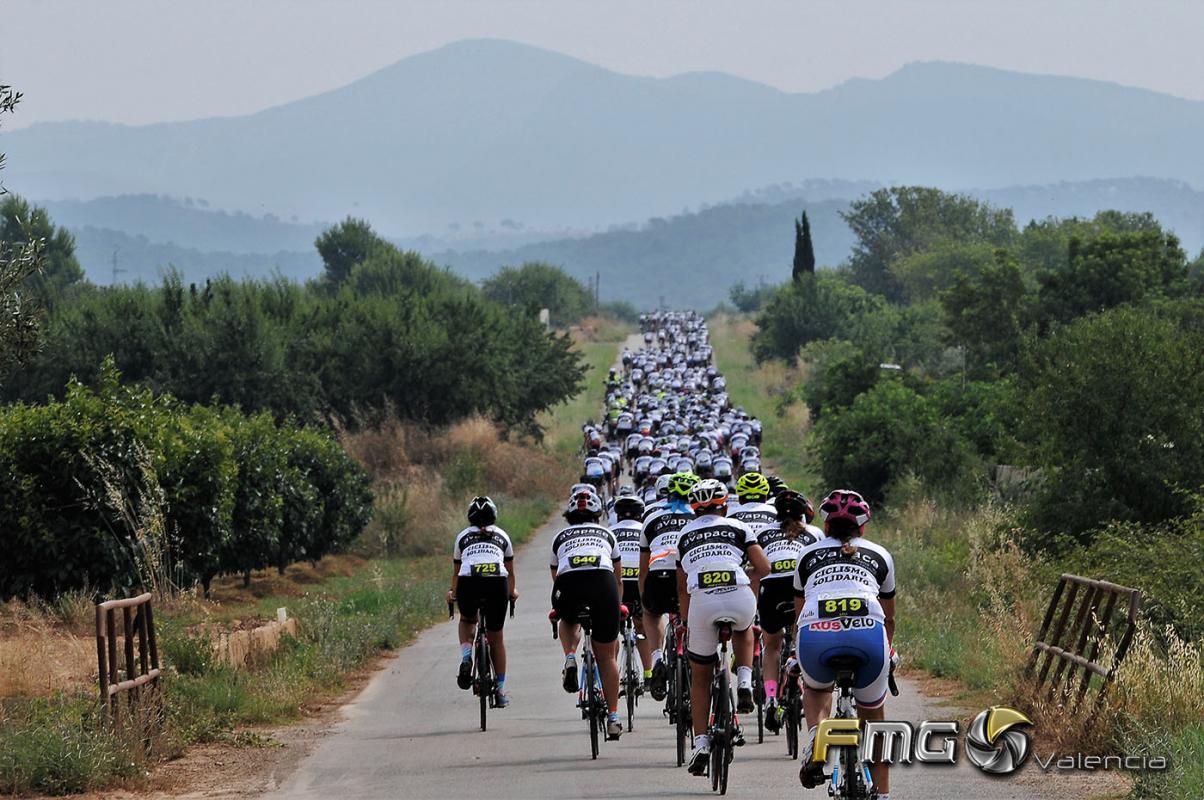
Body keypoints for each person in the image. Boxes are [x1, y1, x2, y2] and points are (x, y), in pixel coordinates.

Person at [793, 490, 897, 799]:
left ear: (825, 526)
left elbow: (799, 617)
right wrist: (888, 654)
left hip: (816, 633)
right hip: (869, 636)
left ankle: (816, 737)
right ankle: (883, 795)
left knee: (815, 687)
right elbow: (889, 619)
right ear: (863, 527)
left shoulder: (807, 556)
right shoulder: (881, 555)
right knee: (874, 720)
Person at [678, 479, 770, 775]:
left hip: (702, 601)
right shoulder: (740, 527)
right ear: (725, 505)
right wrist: (744, 574)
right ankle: (744, 680)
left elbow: (682, 589)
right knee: (744, 628)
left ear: (694, 509)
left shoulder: (683, 534)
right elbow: (765, 567)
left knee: (701, 677)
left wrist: (684, 620)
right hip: (738, 592)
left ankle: (701, 742)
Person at [550, 489, 626, 739]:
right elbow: (618, 577)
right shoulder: (607, 534)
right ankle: (614, 717)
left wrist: (562, 606)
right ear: (597, 514)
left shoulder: (560, 536)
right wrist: (618, 604)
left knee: (567, 617)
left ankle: (570, 656)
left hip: (569, 584)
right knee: (607, 657)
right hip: (602, 583)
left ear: (569, 515)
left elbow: (556, 576)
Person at [757, 489, 821, 733]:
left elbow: (754, 567)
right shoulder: (815, 534)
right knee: (800, 639)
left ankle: (771, 698)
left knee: (771, 646)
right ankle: (796, 661)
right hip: (799, 589)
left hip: (772, 589)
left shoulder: (762, 533)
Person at [448, 496, 517, 707]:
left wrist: (452, 592)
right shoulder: (503, 536)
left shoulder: (462, 537)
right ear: (493, 516)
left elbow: (457, 573)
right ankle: (501, 690)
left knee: (468, 620)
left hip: (469, 583)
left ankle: (467, 657)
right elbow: (510, 573)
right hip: (497, 583)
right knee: (497, 639)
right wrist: (512, 592)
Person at [638, 471, 698, 698]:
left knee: (651, 614)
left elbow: (644, 569)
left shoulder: (651, 518)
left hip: (659, 575)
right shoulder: (697, 518)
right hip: (689, 579)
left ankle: (657, 659)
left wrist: (645, 598)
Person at [611, 494, 652, 688]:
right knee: (642, 628)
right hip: (638, 584)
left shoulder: (609, 532)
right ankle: (649, 673)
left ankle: (613, 673)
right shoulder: (645, 531)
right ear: (640, 515)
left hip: (616, 585)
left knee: (609, 634)